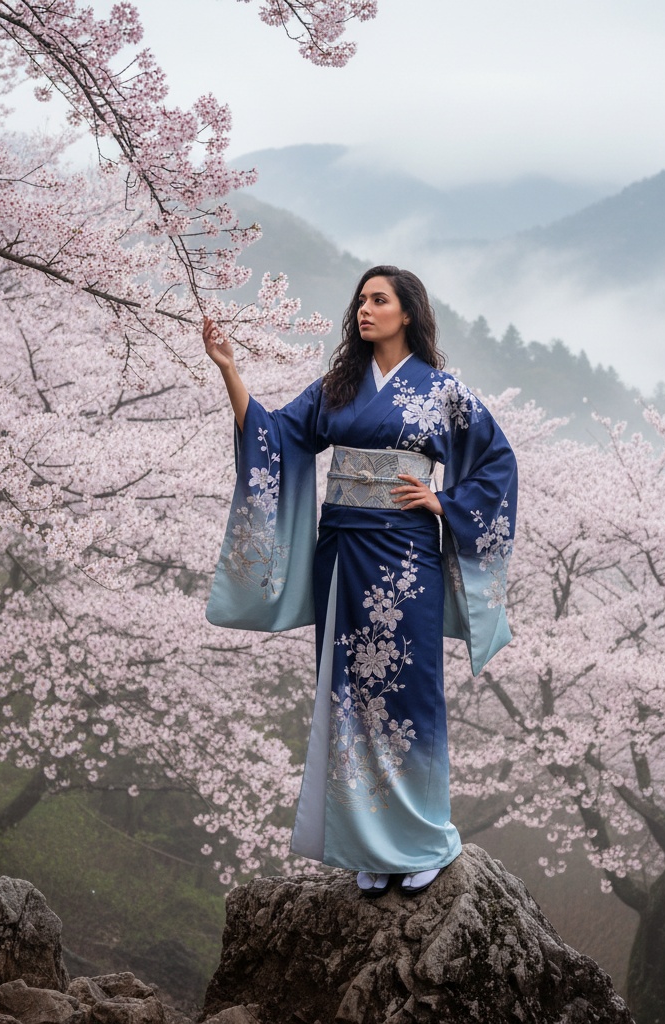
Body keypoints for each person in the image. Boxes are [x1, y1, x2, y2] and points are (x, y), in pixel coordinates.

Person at [203, 265, 517, 896]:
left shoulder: (441, 391)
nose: (365, 309)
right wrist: (229, 369)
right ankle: (368, 846)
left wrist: (444, 503)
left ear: (408, 313)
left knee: (409, 694)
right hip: (341, 554)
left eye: (380, 299)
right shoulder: (339, 386)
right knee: (349, 694)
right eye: (362, 300)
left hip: (405, 559)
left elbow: (497, 462)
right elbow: (274, 436)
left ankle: (421, 841)